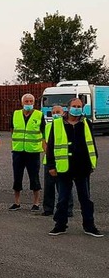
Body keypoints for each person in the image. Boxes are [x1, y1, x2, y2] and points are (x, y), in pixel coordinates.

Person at [47, 98, 102, 237]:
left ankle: (89, 226)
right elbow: (51, 146)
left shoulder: (86, 123)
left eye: (79, 106)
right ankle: (60, 225)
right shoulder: (57, 123)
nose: (76, 108)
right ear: (68, 107)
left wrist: (92, 162)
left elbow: (91, 144)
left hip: (82, 167)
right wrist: (51, 166)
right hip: (64, 167)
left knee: (85, 198)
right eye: (74, 106)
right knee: (63, 198)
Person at [9, 93, 45, 212]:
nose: (28, 103)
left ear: (34, 103)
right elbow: (12, 129)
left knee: (34, 177)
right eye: (26, 101)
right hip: (18, 151)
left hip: (33, 151)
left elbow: (44, 132)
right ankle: (16, 202)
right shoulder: (15, 114)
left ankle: (36, 203)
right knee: (17, 177)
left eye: (31, 101)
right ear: (22, 103)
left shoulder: (39, 115)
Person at [41, 105, 73, 217]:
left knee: (64, 186)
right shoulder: (48, 126)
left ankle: (68, 209)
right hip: (50, 161)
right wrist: (49, 154)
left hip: (64, 161)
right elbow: (44, 142)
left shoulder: (68, 126)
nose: (55, 114)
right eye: (53, 112)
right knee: (49, 187)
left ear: (63, 112)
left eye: (58, 112)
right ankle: (48, 209)